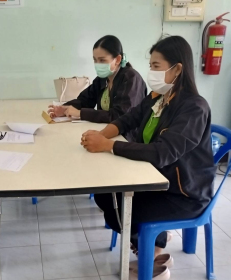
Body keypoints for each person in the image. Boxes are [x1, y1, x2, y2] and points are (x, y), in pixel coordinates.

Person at [80, 36, 216, 277]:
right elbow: (127, 119)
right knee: (105, 194)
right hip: (156, 178)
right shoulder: (159, 97)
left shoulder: (194, 107)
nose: (150, 72)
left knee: (120, 204)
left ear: (177, 69)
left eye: (156, 66)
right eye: (150, 65)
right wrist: (101, 136)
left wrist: (108, 146)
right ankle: (151, 248)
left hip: (183, 193)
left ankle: (152, 261)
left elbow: (163, 152)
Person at [48, 35, 147, 141]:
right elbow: (85, 100)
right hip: (106, 132)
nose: (97, 64)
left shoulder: (131, 78)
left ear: (117, 59)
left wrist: (80, 113)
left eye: (102, 60)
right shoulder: (103, 78)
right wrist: (65, 108)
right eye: (95, 60)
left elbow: (120, 115)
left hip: (126, 137)